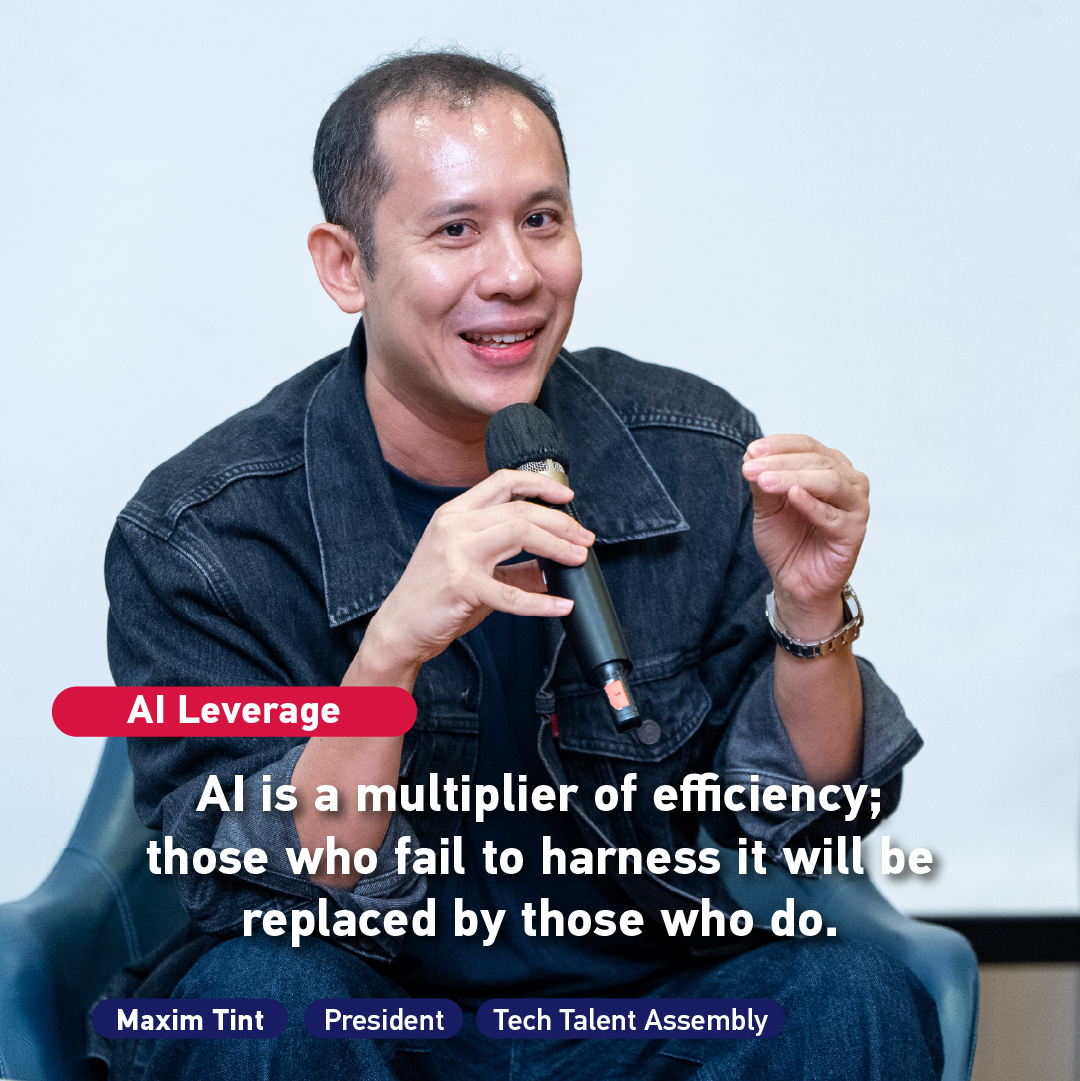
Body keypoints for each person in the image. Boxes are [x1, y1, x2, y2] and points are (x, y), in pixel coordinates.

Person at [103, 51, 942, 1079]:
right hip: (373, 1021)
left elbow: (805, 821)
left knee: (854, 993)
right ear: (345, 265)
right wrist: (389, 654)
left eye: (541, 220)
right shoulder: (205, 532)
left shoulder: (694, 450)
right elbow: (281, 889)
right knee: (263, 996)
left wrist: (810, 613)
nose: (514, 274)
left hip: (642, 1015)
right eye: (457, 230)